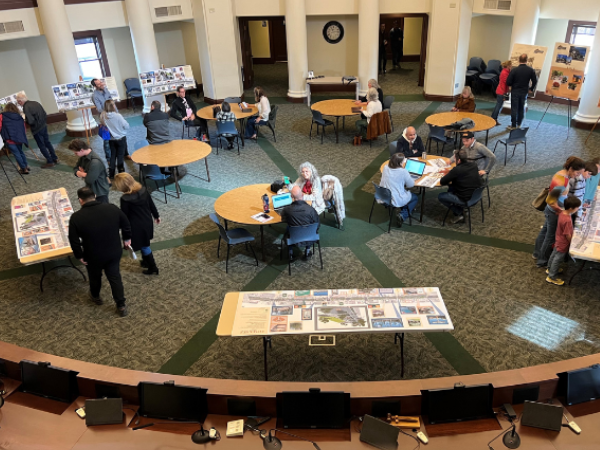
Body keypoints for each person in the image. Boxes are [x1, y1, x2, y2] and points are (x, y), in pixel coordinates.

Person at [68, 186, 132, 317]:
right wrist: (127, 238)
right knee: (115, 277)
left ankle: (96, 296)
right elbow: (126, 224)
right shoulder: (112, 208)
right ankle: (121, 305)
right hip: (113, 251)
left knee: (95, 277)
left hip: (93, 254)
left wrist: (79, 255)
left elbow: (73, 240)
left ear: (80, 200)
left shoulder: (76, 217)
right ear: (95, 196)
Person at [533, 156, 585, 267]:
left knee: (545, 232)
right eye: (577, 173)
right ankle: (542, 260)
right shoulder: (562, 180)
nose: (578, 175)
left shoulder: (562, 174)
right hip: (553, 211)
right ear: (570, 169)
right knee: (550, 237)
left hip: (551, 210)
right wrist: (560, 210)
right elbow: (550, 200)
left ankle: (537, 253)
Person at [113, 173, 161, 275]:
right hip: (147, 221)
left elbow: (125, 219)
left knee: (145, 246)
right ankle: (145, 261)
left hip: (136, 226)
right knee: (145, 242)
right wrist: (156, 216)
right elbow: (151, 204)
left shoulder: (125, 199)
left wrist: (126, 238)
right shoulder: (143, 190)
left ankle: (153, 267)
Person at [438, 148, 483, 223]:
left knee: (441, 196)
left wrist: (450, 173)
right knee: (451, 187)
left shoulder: (457, 170)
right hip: (475, 196)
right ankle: (461, 210)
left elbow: (442, 181)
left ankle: (460, 212)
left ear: (458, 161)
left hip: (464, 199)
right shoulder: (473, 165)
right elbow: (464, 174)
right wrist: (450, 172)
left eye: (455, 159)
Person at [92, 78, 131, 161]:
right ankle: (109, 159)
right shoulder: (95, 96)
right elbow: (99, 109)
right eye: (99, 84)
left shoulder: (106, 90)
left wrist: (116, 114)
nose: (101, 84)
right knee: (107, 140)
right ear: (95, 86)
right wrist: (109, 114)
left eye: (101, 82)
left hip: (114, 115)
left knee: (122, 135)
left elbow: (112, 103)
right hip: (105, 118)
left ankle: (125, 154)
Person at [546, 196, 581, 286]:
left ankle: (549, 269)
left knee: (554, 254)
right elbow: (567, 234)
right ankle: (552, 277)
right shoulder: (567, 220)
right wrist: (571, 242)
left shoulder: (562, 212)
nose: (578, 209)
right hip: (563, 242)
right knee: (558, 259)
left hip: (558, 239)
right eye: (577, 207)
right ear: (571, 208)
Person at [16, 93, 58, 168]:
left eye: (18, 102)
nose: (18, 104)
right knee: (47, 142)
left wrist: (26, 121)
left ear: (20, 101)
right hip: (43, 125)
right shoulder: (36, 102)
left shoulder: (26, 107)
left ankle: (50, 161)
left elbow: (31, 121)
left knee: (41, 145)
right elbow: (44, 114)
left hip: (36, 129)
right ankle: (54, 158)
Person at [280, 185, 320, 260]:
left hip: (293, 239)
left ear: (291, 196)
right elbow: (317, 224)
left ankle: (290, 253)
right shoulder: (311, 210)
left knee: (289, 227)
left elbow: (283, 220)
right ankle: (307, 251)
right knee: (309, 227)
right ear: (302, 194)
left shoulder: (286, 210)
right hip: (310, 238)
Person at [380, 153, 419, 226]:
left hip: (382, 196)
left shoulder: (386, 167)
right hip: (393, 198)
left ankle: (405, 207)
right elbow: (410, 185)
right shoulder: (403, 171)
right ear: (400, 163)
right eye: (403, 161)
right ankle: (402, 215)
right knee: (415, 198)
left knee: (402, 192)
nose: (404, 163)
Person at [68, 139, 111, 204]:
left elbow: (89, 180)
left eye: (76, 153)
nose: (75, 154)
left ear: (82, 150)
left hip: (100, 191)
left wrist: (82, 174)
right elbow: (75, 168)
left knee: (103, 210)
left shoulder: (95, 162)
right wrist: (83, 174)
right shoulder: (83, 157)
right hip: (92, 189)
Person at [506, 53, 537, 130]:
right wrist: (531, 88)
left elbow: (508, 82)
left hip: (515, 91)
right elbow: (535, 80)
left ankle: (513, 125)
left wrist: (512, 84)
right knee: (521, 107)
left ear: (519, 60)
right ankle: (519, 124)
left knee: (514, 108)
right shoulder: (530, 70)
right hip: (524, 91)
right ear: (527, 60)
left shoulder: (514, 70)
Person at [100, 99, 129, 178]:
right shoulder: (117, 116)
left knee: (113, 155)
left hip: (111, 139)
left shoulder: (103, 115)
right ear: (113, 106)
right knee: (120, 155)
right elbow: (126, 125)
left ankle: (111, 173)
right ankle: (121, 172)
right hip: (120, 138)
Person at [0, 102, 30, 174]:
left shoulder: (2, 116)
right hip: (19, 138)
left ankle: (23, 168)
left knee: (16, 153)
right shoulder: (18, 116)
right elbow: (23, 128)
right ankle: (26, 166)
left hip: (9, 138)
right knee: (21, 152)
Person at [490, 61, 512, 126]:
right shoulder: (505, 72)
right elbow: (506, 82)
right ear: (508, 66)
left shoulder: (506, 72)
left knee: (498, 105)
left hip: (501, 90)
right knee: (499, 106)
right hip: (502, 91)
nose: (511, 66)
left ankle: (493, 117)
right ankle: (494, 118)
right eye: (510, 65)